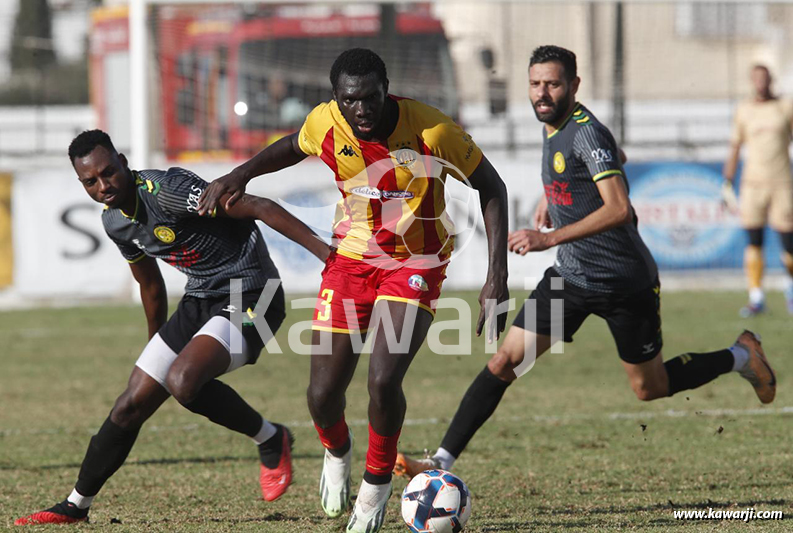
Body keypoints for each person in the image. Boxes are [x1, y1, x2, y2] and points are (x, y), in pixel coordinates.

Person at [394, 45, 777, 480]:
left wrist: (548, 236)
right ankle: (440, 462)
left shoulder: (585, 131)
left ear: (573, 86)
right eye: (535, 84)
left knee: (649, 388)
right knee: (505, 363)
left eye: (553, 84)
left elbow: (617, 208)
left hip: (624, 283)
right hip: (570, 279)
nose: (542, 93)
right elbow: (610, 161)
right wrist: (552, 195)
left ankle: (741, 355)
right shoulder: (554, 122)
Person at [197, 48, 509, 533]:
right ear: (336, 99)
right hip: (349, 263)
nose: (361, 109)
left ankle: (376, 486)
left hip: (415, 264)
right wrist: (239, 175)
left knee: (383, 380)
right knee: (322, 395)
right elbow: (289, 146)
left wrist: (497, 277)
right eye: (349, 100)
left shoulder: (433, 131)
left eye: (370, 98)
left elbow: (492, 187)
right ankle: (337, 451)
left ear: (387, 90)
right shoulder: (326, 123)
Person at [15, 130, 330, 525]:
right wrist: (155, 345)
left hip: (254, 292)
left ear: (123, 161)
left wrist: (327, 256)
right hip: (200, 299)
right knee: (131, 403)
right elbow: (149, 283)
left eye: (109, 172)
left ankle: (270, 437)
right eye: (90, 182)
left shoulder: (169, 191)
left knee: (183, 380)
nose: (103, 185)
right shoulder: (115, 221)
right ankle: (76, 505)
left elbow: (259, 206)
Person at [723, 64, 793, 317]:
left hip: (782, 183)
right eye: (756, 78)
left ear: (770, 80)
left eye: (764, 77)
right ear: (752, 81)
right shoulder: (744, 109)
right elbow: (734, 146)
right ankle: (756, 297)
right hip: (752, 184)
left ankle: (791, 290)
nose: (761, 82)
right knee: (754, 241)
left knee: (788, 241)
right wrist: (727, 181)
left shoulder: (785, 107)